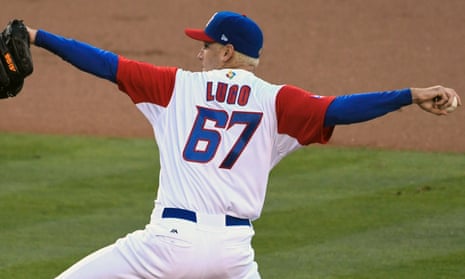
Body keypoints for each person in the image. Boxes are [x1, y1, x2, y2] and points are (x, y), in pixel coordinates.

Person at [26, 11, 460, 279]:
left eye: (206, 46)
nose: (200, 54)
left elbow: (103, 62)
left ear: (228, 52)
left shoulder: (174, 87)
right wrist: (410, 94)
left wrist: (36, 36)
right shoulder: (279, 101)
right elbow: (339, 109)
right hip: (233, 257)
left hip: (166, 247)